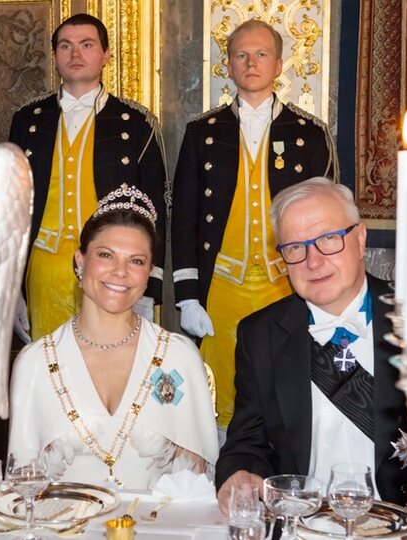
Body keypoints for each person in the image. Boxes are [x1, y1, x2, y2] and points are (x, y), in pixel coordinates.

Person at [215, 177, 407, 510]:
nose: (313, 261)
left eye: (329, 238)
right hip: (304, 523)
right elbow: (246, 443)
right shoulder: (261, 334)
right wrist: (240, 473)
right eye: (295, 247)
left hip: (406, 524)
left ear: (360, 239)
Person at [171, 20, 339, 432]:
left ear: (279, 64)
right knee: (219, 395)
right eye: (241, 54)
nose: (251, 62)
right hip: (221, 286)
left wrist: (322, 290)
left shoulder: (308, 134)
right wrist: (187, 297)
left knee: (284, 387)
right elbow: (185, 217)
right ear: (228, 65)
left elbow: (328, 219)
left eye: (261, 54)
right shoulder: (202, 133)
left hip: (286, 284)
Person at [8, 185, 217, 490]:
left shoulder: (179, 357)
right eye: (106, 255)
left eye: (136, 261)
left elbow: (199, 488)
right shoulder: (35, 363)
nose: (120, 272)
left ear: (149, 273)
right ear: (80, 261)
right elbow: (20, 490)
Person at [9, 13, 167, 342]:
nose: (75, 54)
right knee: (50, 365)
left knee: (111, 362)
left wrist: (150, 288)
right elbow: (10, 209)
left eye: (86, 45)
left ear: (106, 55)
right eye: (65, 46)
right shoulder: (28, 120)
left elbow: (155, 213)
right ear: (55, 56)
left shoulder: (137, 123)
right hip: (43, 268)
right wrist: (11, 288)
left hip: (112, 266)